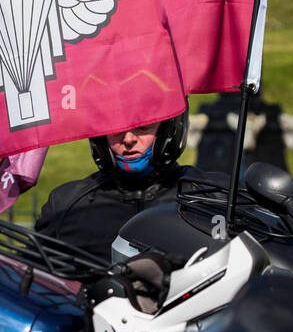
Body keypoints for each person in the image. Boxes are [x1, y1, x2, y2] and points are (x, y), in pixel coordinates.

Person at [34, 112, 190, 261]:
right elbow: (32, 279)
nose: (128, 139)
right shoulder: (65, 204)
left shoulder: (205, 196)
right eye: (116, 127)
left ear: (169, 129)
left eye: (143, 126)